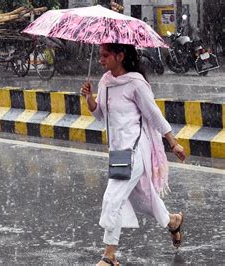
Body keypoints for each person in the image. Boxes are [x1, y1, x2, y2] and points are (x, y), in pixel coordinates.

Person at [80, 43, 187, 266]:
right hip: (118, 152)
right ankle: (173, 221)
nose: (101, 59)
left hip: (136, 149)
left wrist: (173, 143)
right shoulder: (106, 81)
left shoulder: (136, 83)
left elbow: (154, 113)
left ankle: (109, 256)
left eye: (105, 55)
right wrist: (89, 98)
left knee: (113, 197)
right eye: (99, 55)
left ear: (120, 56)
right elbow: (100, 115)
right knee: (143, 200)